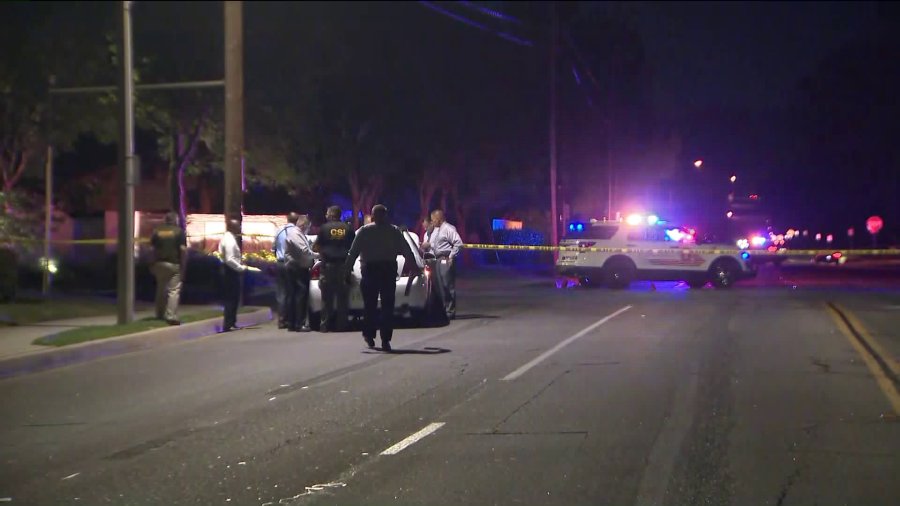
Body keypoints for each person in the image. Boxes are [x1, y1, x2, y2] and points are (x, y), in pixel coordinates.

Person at [345, 204, 420, 352]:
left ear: (372, 216)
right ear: (386, 215)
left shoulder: (364, 231)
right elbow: (407, 251)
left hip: (370, 270)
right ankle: (385, 339)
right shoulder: (393, 231)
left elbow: (352, 253)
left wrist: (346, 270)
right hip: (387, 270)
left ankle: (369, 335)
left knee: (369, 305)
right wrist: (414, 268)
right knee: (387, 306)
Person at [313, 205, 355, 332]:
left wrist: (323, 254)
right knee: (343, 296)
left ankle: (325, 325)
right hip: (344, 266)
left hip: (328, 266)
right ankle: (342, 325)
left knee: (327, 297)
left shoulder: (324, 228)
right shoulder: (347, 228)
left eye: (327, 213)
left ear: (331, 215)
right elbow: (354, 247)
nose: (326, 216)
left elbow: (316, 246)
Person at [219, 217, 260, 332]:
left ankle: (232, 322)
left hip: (230, 270)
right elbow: (230, 259)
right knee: (231, 298)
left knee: (233, 297)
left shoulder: (229, 238)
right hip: (230, 271)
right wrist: (241, 268)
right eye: (238, 225)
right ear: (232, 227)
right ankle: (229, 323)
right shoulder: (229, 241)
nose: (239, 227)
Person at [423, 209, 463, 319]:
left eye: (433, 220)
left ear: (438, 219)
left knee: (447, 285)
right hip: (438, 260)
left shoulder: (448, 229)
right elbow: (437, 244)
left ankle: (450, 311)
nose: (432, 222)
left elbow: (458, 243)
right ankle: (444, 310)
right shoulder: (437, 230)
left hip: (445, 259)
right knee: (440, 286)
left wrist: (451, 257)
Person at [150, 211, 186, 325]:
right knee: (173, 290)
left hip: (159, 264)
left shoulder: (157, 231)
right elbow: (183, 251)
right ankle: (170, 315)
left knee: (160, 289)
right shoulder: (179, 232)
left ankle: (159, 314)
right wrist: (183, 266)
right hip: (173, 264)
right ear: (175, 220)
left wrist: (151, 264)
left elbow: (151, 249)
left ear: (165, 220)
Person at [284, 214, 316, 332]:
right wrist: (318, 255)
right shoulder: (295, 234)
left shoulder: (298, 234)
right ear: (303, 225)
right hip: (297, 268)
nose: (308, 229)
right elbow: (305, 251)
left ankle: (292, 323)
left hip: (296, 267)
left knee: (294, 295)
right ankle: (299, 323)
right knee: (300, 296)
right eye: (308, 227)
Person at [272, 213, 299, 329]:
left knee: (281, 292)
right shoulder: (296, 231)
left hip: (280, 262)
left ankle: (281, 319)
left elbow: (273, 248)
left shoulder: (279, 231)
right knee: (292, 292)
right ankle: (289, 318)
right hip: (291, 263)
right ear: (297, 220)